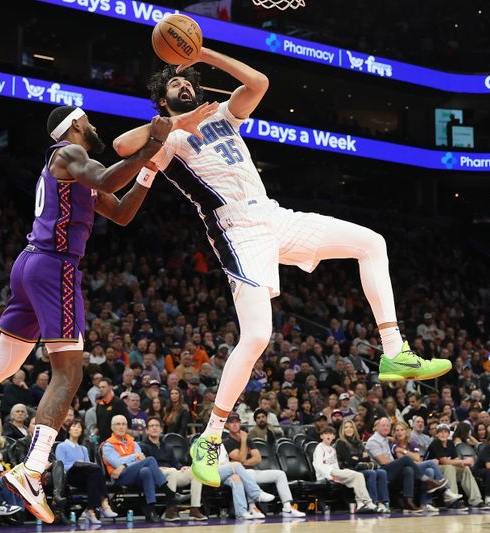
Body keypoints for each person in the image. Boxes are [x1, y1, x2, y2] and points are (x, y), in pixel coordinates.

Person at [112, 47, 452, 486]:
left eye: (187, 80)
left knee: (372, 243)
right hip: (236, 231)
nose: (184, 85)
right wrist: (177, 123)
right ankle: (210, 438)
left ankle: (394, 352)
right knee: (257, 335)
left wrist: (203, 54)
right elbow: (122, 145)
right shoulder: (168, 139)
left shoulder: (224, 116)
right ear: (163, 100)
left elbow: (259, 83)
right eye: (174, 84)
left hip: (273, 217)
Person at [0, 105, 199, 524]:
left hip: (32, 263)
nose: (94, 127)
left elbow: (122, 212)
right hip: (55, 266)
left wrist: (149, 169)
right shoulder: (69, 154)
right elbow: (107, 176)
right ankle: (33, 468)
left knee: (5, 362)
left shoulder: (77, 170)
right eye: (89, 122)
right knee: (69, 373)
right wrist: (152, 142)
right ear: (76, 125)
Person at [222, 414, 306, 517]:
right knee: (249, 473)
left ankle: (287, 507)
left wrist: (243, 461)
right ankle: (253, 508)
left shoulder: (248, 439)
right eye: (231, 423)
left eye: (236, 422)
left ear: (240, 423)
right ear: (227, 425)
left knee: (280, 474)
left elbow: (257, 458)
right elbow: (241, 458)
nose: (235, 425)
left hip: (253, 471)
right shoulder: (226, 442)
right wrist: (243, 442)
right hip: (238, 475)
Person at [365, 417, 447, 513]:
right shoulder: (373, 441)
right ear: (377, 427)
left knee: (409, 469)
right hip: (382, 470)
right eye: (383, 426)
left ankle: (408, 501)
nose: (386, 428)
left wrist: (401, 462)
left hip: (392, 468)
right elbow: (382, 461)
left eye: (388, 426)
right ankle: (429, 482)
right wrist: (400, 463)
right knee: (407, 460)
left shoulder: (387, 439)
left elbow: (416, 457)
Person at [139, 416, 205, 521]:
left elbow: (175, 463)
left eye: (157, 426)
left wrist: (182, 467)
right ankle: (171, 509)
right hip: (156, 475)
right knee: (172, 471)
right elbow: (144, 464)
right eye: (151, 426)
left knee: (195, 472)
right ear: (147, 430)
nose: (155, 428)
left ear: (161, 429)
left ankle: (194, 509)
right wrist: (160, 468)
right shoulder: (143, 446)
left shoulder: (167, 446)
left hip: (171, 473)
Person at [55, 419, 117, 524]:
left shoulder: (83, 448)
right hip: (70, 476)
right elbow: (60, 466)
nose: (76, 429)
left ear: (82, 431)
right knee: (95, 470)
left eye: (79, 427)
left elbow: (88, 465)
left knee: (94, 474)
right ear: (69, 430)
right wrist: (76, 464)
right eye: (74, 426)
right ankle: (104, 503)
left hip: (84, 476)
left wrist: (83, 465)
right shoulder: (62, 446)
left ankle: (91, 511)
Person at [313, 426, 376, 513]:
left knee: (358, 476)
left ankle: (360, 504)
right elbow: (318, 465)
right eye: (326, 434)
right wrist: (330, 477)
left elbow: (335, 465)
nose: (328, 436)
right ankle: (368, 502)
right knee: (357, 475)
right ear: (321, 436)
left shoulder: (332, 449)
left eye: (330, 434)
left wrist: (339, 475)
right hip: (328, 474)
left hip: (336, 472)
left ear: (334, 436)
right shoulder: (319, 448)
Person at [335, 419, 390, 512]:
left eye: (351, 427)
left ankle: (384, 502)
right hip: (348, 470)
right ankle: (373, 502)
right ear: (342, 430)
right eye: (346, 427)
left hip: (359, 468)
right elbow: (349, 460)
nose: (349, 429)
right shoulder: (340, 443)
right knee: (371, 473)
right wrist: (360, 457)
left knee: (382, 472)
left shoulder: (359, 442)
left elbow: (367, 458)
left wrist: (357, 458)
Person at [426, 423, 485, 508]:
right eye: (440, 432)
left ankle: (476, 500)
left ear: (448, 434)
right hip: (431, 470)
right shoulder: (436, 443)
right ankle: (452, 500)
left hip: (444, 470)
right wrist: (463, 461)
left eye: (445, 432)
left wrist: (464, 463)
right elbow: (444, 461)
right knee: (450, 468)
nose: (443, 434)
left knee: (465, 469)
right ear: (437, 434)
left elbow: (456, 458)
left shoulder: (450, 443)